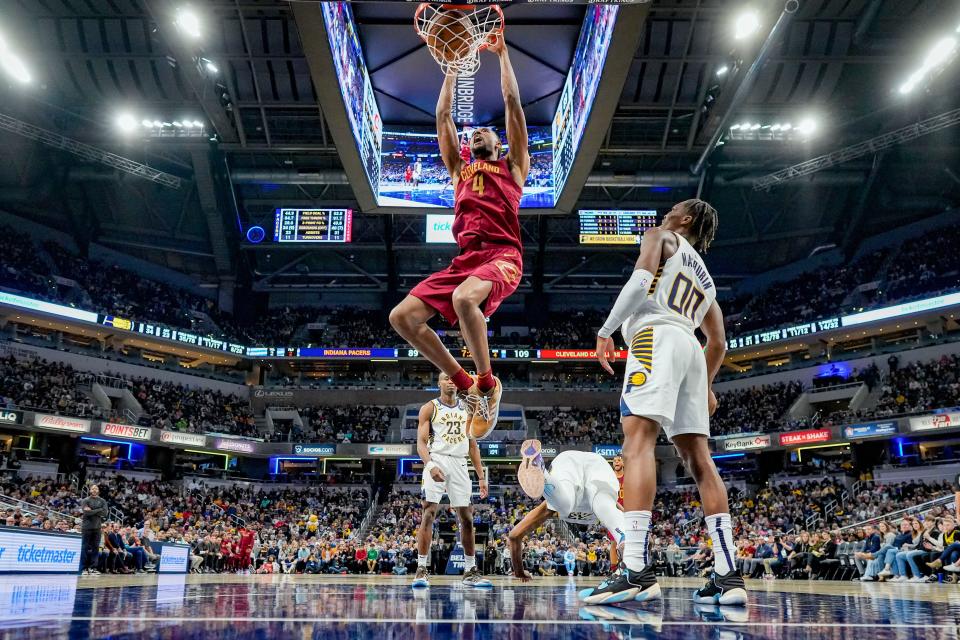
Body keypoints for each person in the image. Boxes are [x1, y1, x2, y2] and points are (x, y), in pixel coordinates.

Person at [589, 199, 747, 606]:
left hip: (654, 337)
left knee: (637, 444)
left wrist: (607, 330)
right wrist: (706, 385)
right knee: (700, 461)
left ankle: (635, 569)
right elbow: (718, 342)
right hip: (691, 351)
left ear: (685, 219)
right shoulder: (706, 278)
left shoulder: (661, 237)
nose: (664, 215)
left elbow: (641, 283)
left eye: (671, 210)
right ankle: (728, 576)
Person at [389, 34, 529, 441]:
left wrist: (503, 53)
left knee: (464, 298)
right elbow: (442, 117)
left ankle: (487, 385)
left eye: (484, 133)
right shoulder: (458, 171)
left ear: (499, 143)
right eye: (472, 136)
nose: (476, 136)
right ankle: (466, 385)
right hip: (467, 259)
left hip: (503, 256)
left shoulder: (513, 168)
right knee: (401, 317)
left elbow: (512, 104)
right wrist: (451, 69)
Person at [511, 444, 626, 604]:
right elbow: (621, 512)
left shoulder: (550, 507)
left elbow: (514, 536)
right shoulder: (609, 508)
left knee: (565, 504)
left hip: (567, 465)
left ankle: (542, 472)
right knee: (605, 508)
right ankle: (624, 539)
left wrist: (519, 571)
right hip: (597, 466)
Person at [411, 372, 490, 589]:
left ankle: (470, 571)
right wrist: (430, 465)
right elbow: (421, 443)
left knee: (467, 518)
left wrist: (481, 477)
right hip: (437, 459)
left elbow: (473, 446)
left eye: (453, 379)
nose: (451, 381)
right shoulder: (429, 408)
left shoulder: (468, 408)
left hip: (460, 462)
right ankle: (421, 569)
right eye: (446, 378)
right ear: (438, 382)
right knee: (429, 512)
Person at [80, 484, 108, 575]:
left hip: (97, 528)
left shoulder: (102, 501)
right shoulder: (85, 500)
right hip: (86, 527)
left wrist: (92, 510)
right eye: (93, 488)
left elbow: (105, 513)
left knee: (96, 548)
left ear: (98, 490)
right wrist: (98, 510)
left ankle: (93, 568)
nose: (94, 490)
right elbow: (86, 513)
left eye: (96, 488)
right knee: (84, 547)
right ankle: (84, 568)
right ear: (90, 491)